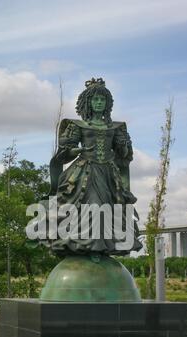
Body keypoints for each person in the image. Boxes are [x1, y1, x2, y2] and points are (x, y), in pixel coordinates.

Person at [32, 77, 142, 256]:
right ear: (87, 102)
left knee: (110, 210)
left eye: (102, 99)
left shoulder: (116, 127)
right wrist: (76, 150)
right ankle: (87, 247)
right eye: (95, 99)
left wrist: (124, 146)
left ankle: (103, 248)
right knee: (93, 207)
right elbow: (64, 153)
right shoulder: (77, 125)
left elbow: (124, 156)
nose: (99, 102)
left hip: (108, 174)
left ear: (107, 103)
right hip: (85, 173)